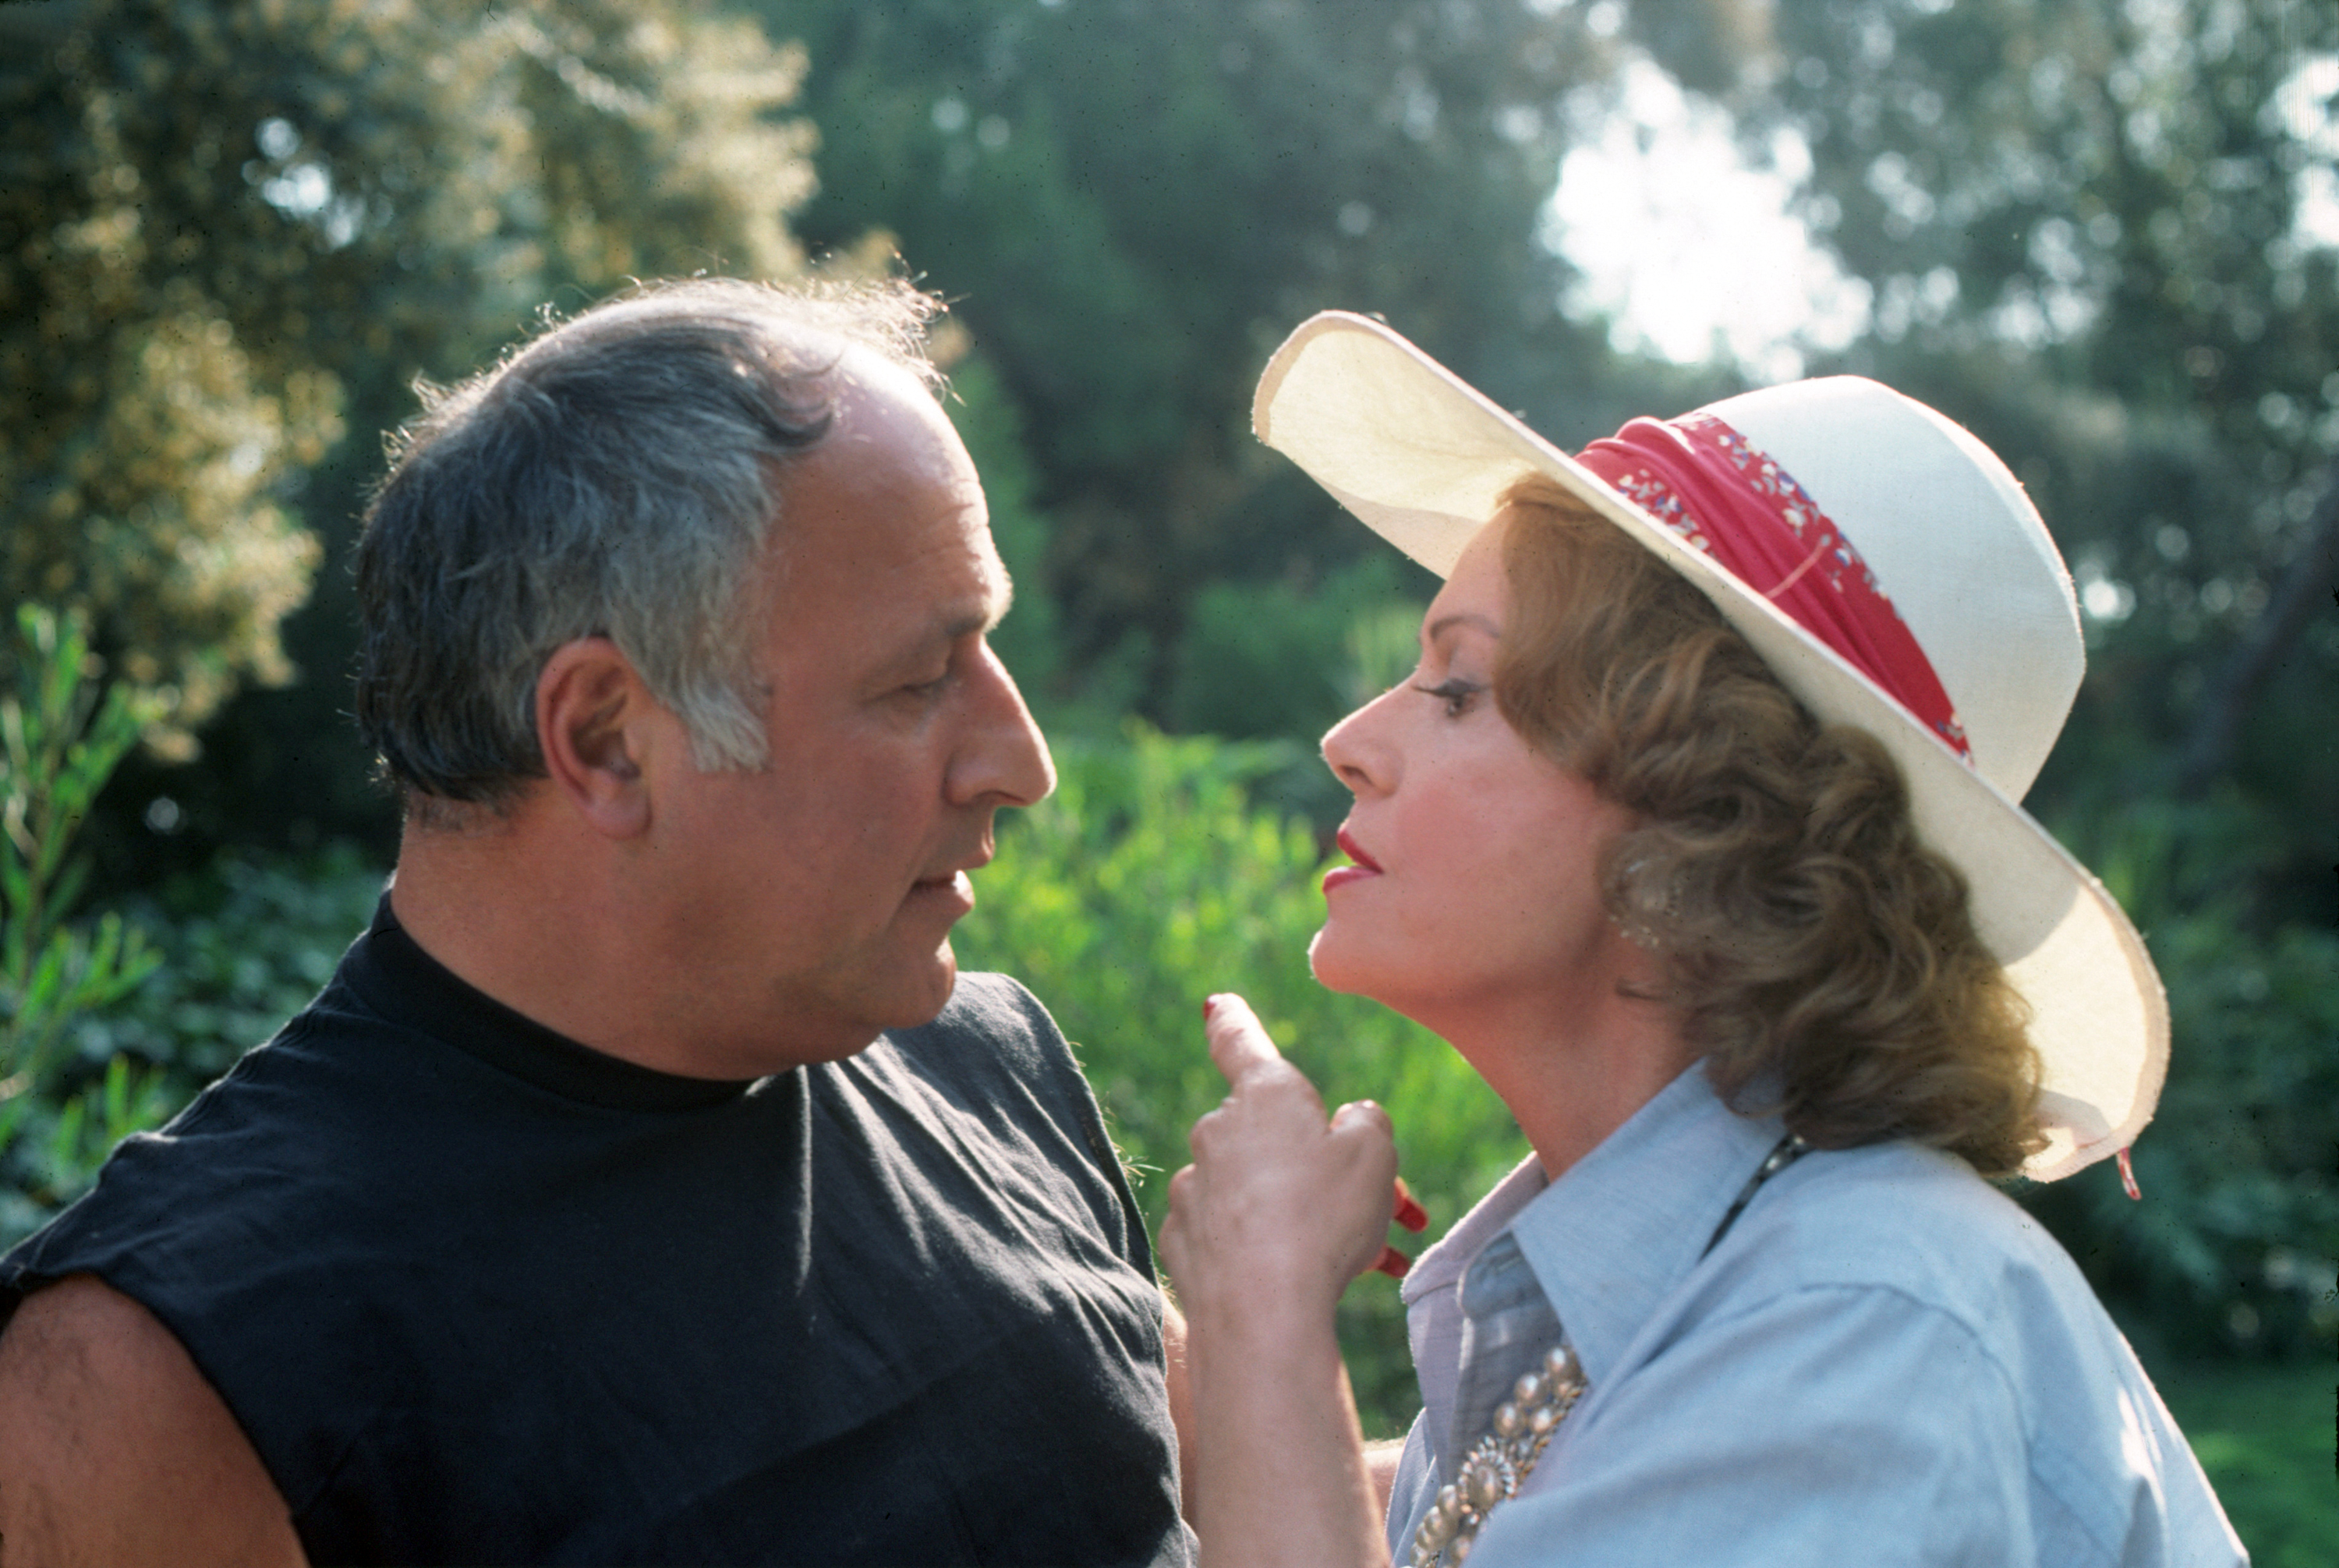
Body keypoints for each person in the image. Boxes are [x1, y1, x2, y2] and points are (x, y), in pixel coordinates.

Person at [0, 278, 1196, 1566]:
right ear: (606, 740)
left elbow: (1261, 1511)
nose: (1021, 762)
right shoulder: (169, 1372)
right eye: (919, 677)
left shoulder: (988, 1062)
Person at [1158, 312, 2247, 1566]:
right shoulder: (1696, 1294)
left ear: (1701, 822)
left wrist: (1266, 1316)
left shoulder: (1858, 1329)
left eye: (1459, 688)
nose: (1351, 738)